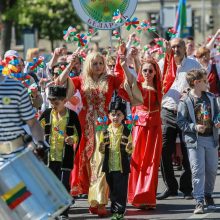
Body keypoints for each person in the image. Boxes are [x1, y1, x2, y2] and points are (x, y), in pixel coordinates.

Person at [57, 51, 124, 217]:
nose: (99, 66)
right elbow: (59, 83)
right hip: (84, 125)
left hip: (104, 126)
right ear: (88, 65)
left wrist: (126, 59)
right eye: (95, 63)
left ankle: (100, 201)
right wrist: (70, 65)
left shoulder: (110, 79)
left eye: (101, 63)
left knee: (101, 162)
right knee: (86, 164)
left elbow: (128, 81)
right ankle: (92, 199)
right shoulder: (81, 80)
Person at [156, 38, 201, 200]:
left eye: (179, 46)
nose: (176, 49)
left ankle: (187, 188)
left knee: (188, 149)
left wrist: (191, 93)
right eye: (173, 46)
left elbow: (202, 85)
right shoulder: (162, 63)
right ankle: (171, 187)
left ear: (184, 48)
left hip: (187, 112)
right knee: (164, 149)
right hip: (167, 111)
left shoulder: (194, 64)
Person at [119, 49, 163, 209]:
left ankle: (148, 198)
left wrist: (169, 52)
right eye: (145, 70)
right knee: (138, 161)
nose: (147, 73)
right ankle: (137, 196)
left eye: (151, 70)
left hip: (155, 128)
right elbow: (131, 79)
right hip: (140, 127)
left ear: (155, 72)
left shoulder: (159, 88)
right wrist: (124, 65)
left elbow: (171, 76)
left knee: (152, 162)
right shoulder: (138, 86)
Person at [177, 69, 220, 214]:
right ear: (196, 83)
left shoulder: (211, 97)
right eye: (204, 81)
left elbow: (218, 113)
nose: (207, 83)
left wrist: (217, 121)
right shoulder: (185, 100)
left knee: (212, 169)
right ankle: (199, 200)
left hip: (211, 139)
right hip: (195, 141)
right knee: (197, 170)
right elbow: (181, 122)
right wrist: (194, 127)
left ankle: (208, 194)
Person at [39, 85, 81, 219]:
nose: (53, 105)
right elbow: (37, 130)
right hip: (49, 156)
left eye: (56, 103)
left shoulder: (72, 115)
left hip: (65, 156)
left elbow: (78, 133)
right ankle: (52, 210)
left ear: (64, 101)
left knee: (63, 185)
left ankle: (63, 212)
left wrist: (72, 139)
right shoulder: (46, 114)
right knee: (50, 184)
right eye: (51, 102)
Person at [99, 98, 133, 220]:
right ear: (108, 116)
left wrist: (129, 147)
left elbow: (130, 148)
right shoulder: (105, 130)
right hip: (109, 165)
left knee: (121, 190)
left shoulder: (126, 130)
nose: (115, 117)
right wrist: (101, 147)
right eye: (113, 114)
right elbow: (102, 149)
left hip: (121, 165)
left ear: (123, 116)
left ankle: (119, 211)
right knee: (112, 189)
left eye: (118, 115)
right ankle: (114, 209)